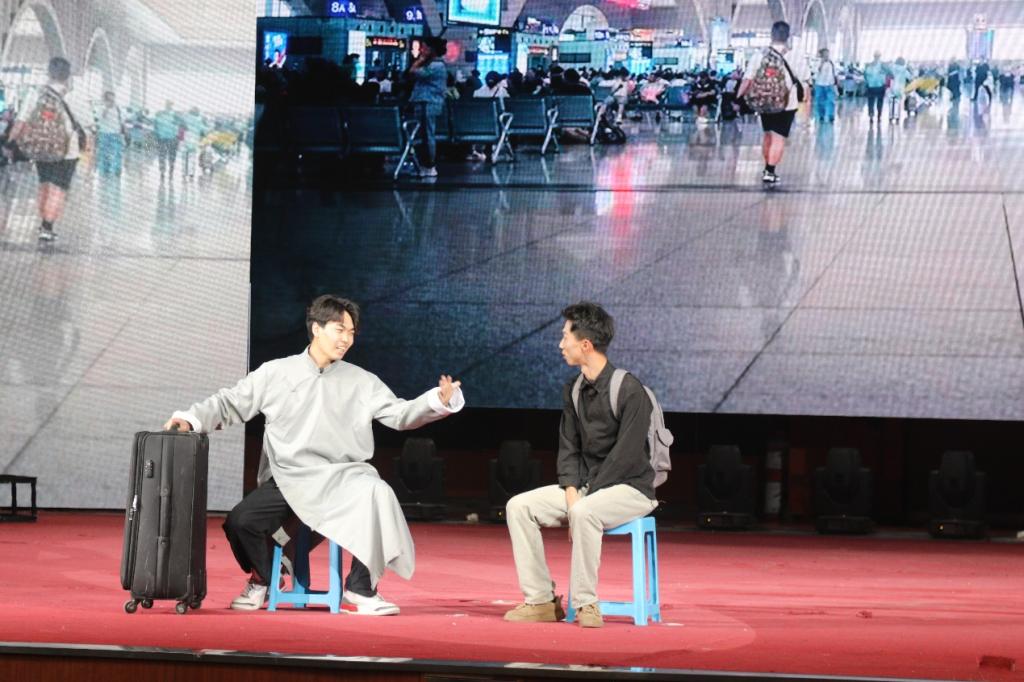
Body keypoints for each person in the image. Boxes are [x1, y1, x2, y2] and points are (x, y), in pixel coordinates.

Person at [163, 295, 465, 613]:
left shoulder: (363, 381)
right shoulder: (276, 373)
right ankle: (264, 579)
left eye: (351, 332)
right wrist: (192, 419)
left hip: (344, 476)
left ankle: (360, 589)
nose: (346, 339)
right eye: (339, 330)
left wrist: (437, 401)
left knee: (378, 493)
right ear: (317, 328)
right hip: (289, 476)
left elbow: (401, 414)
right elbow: (230, 402)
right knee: (241, 521)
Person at [504, 302, 658, 629]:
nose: (561, 344)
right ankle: (541, 601)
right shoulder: (573, 390)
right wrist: (572, 492)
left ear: (585, 344)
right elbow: (569, 448)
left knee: (584, 512)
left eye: (565, 337)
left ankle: (586, 602)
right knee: (519, 506)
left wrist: (581, 503)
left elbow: (625, 457)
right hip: (587, 488)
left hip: (630, 488)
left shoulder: (630, 390)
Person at [6, 57, 89, 242]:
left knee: (45, 185)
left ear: (49, 73)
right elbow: (88, 128)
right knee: (58, 189)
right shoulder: (76, 97)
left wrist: (10, 143)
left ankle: (43, 223)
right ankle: (47, 227)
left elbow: (20, 122)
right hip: (67, 151)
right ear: (67, 76)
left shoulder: (36, 94)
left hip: (41, 148)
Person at [736, 21, 808, 186]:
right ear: (787, 36)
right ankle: (770, 171)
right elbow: (805, 81)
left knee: (768, 135)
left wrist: (738, 98)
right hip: (787, 104)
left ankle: (767, 167)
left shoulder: (759, 55)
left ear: (771, 35)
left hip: (764, 102)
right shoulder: (796, 56)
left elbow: (747, 80)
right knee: (778, 137)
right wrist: (805, 103)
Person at [408, 36, 447, 178]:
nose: (421, 51)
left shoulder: (436, 66)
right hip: (425, 102)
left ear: (431, 49)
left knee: (427, 134)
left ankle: (429, 165)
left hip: (428, 102)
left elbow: (413, 71)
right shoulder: (434, 65)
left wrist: (419, 60)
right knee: (424, 134)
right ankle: (424, 164)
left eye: (424, 48)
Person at [95, 91, 126, 177]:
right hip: (104, 134)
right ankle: (105, 171)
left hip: (116, 135)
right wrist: (106, 109)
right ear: (105, 100)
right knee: (104, 153)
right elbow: (100, 118)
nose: (112, 101)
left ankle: (117, 171)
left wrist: (124, 133)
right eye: (109, 99)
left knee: (117, 153)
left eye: (113, 99)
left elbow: (122, 122)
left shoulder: (119, 109)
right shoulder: (101, 109)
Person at [153, 100, 180, 180]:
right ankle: (164, 171)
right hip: (165, 138)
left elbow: (155, 126)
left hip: (169, 138)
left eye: (170, 105)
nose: (169, 106)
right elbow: (155, 125)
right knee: (164, 156)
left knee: (166, 156)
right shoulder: (161, 114)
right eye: (169, 105)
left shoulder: (173, 115)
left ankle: (167, 171)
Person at [179, 107, 207, 178]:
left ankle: (183, 172)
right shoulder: (198, 120)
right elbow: (203, 130)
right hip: (194, 140)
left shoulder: (185, 118)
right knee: (191, 157)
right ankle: (191, 173)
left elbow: (180, 127)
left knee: (184, 157)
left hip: (185, 139)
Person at [812, 48, 838, 123]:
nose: (827, 55)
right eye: (825, 53)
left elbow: (835, 73)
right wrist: (822, 63)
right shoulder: (817, 62)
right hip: (820, 84)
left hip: (830, 84)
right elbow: (815, 71)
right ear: (822, 54)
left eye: (828, 53)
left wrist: (836, 82)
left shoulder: (831, 62)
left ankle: (831, 116)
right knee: (820, 101)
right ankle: (821, 115)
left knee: (831, 101)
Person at [863, 52, 886, 124]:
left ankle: (871, 115)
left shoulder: (869, 65)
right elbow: (890, 73)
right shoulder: (883, 66)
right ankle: (879, 116)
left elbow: (865, 75)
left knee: (871, 101)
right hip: (880, 86)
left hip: (871, 86)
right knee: (880, 101)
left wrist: (868, 82)